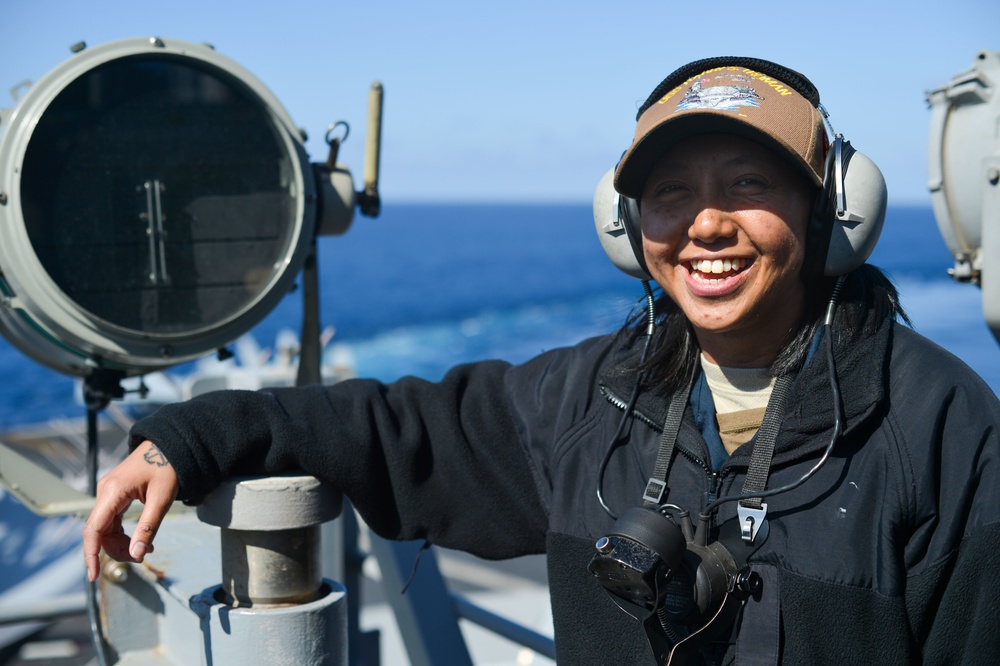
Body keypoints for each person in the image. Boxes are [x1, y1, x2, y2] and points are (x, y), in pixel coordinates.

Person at [83, 56, 1000, 665]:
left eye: (750, 184)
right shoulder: (588, 400)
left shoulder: (944, 429)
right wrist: (188, 440)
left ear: (830, 210)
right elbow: (394, 427)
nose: (706, 223)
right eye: (670, 194)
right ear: (627, 228)